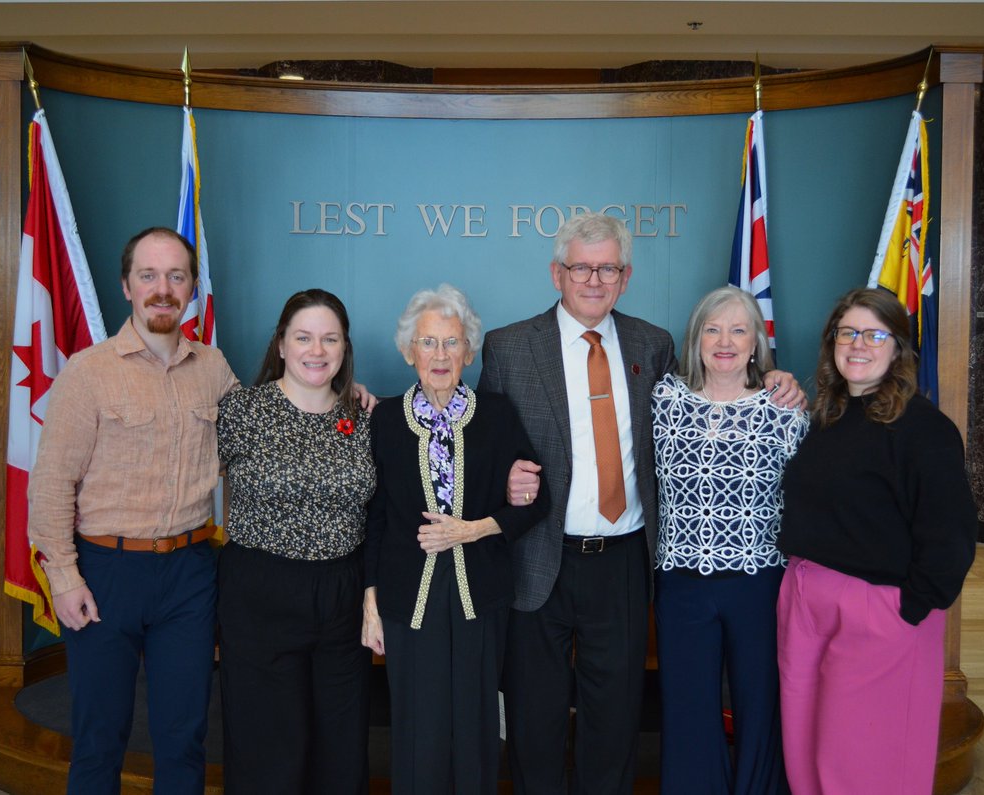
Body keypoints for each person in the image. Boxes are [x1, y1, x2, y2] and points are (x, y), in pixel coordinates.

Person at [479, 212, 804, 795]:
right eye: (582, 266)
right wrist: (502, 477)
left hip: (624, 559)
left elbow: (721, 397)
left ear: (625, 277)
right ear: (558, 272)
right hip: (537, 556)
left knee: (615, 716)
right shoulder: (508, 347)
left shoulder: (652, 346)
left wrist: (778, 378)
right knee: (535, 716)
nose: (594, 280)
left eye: (608, 268)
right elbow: (482, 441)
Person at [28, 227, 239, 794]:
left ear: (192, 287)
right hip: (105, 573)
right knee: (99, 737)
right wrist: (64, 578)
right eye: (149, 275)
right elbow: (49, 485)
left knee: (184, 734)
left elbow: (263, 438)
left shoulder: (215, 368)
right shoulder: (88, 372)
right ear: (126, 285)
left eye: (176, 276)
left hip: (190, 573)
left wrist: (349, 399)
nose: (162, 289)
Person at [776, 287, 978, 795]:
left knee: (862, 764)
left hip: (879, 610)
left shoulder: (925, 430)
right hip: (807, 598)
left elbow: (951, 536)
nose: (858, 344)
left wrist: (907, 610)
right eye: (848, 333)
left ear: (898, 348)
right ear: (832, 344)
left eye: (874, 334)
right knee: (805, 754)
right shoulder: (830, 416)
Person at [361, 283, 548, 795]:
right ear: (408, 351)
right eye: (428, 343)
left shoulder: (497, 415)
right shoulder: (384, 422)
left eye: (451, 343)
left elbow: (539, 502)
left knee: (475, 722)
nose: (440, 355)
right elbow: (372, 519)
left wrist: (475, 529)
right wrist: (370, 599)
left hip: (479, 595)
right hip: (407, 599)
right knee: (417, 725)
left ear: (468, 351)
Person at [215, 289, 375, 794]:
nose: (317, 349)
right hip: (260, 594)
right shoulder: (241, 411)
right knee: (268, 748)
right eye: (303, 337)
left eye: (330, 339)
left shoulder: (366, 417)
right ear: (281, 344)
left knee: (341, 747)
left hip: (342, 597)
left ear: (345, 348)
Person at [652, 286, 807, 794]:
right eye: (713, 329)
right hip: (682, 582)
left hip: (759, 580)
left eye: (738, 329)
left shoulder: (784, 408)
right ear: (695, 339)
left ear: (756, 342)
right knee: (688, 705)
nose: (725, 341)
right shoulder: (664, 400)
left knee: (760, 701)